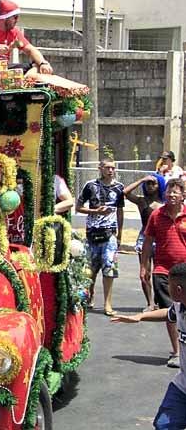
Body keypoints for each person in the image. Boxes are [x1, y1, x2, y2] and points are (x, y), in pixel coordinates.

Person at [112, 263, 186, 429]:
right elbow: (168, 313)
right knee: (164, 425)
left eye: (170, 285)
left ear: (179, 289)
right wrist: (140, 317)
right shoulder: (180, 307)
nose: (167, 288)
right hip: (182, 385)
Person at [141, 179, 186, 369]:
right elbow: (147, 241)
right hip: (163, 270)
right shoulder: (156, 215)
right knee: (171, 310)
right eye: (169, 192)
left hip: (185, 271)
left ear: (183, 195)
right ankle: (176, 352)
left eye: (176, 192)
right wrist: (144, 266)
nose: (172, 195)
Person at [76, 157, 124, 315]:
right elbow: (78, 207)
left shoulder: (119, 188)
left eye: (113, 168)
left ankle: (107, 304)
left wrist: (119, 235)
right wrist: (95, 211)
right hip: (92, 234)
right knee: (90, 269)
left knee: (109, 268)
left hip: (109, 234)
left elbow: (120, 211)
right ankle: (89, 296)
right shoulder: (91, 186)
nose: (111, 170)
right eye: (107, 167)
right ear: (100, 168)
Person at [125, 173, 166, 310]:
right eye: (147, 183)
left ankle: (162, 301)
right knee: (145, 273)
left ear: (159, 184)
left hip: (162, 239)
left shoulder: (164, 203)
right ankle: (150, 303)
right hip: (145, 238)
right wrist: (142, 179)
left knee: (161, 273)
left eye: (153, 183)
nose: (150, 186)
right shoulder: (142, 201)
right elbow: (125, 192)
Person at [0, 0, 53, 74]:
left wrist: (43, 63)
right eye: (15, 17)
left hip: (4, 70)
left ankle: (24, 83)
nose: (17, 20)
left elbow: (30, 49)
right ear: (5, 17)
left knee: (36, 66)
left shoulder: (13, 32)